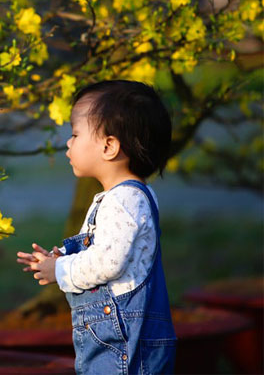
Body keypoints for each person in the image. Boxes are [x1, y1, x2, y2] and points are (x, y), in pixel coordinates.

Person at [17, 80, 176, 375]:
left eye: (75, 134)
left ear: (109, 146)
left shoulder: (125, 199)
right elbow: (103, 248)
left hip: (124, 345)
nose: (68, 142)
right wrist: (60, 258)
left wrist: (61, 270)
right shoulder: (123, 197)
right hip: (115, 339)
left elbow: (109, 261)